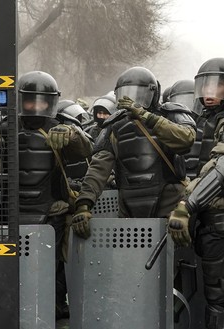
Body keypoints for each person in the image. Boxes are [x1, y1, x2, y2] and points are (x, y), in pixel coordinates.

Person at [0, 71, 93, 320]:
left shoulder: (63, 129)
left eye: (42, 101)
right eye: (30, 101)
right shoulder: (3, 132)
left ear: (51, 102)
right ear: (20, 100)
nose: (36, 106)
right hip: (14, 214)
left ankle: (53, 308)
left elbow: (88, 150)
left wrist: (72, 134)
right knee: (15, 269)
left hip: (53, 212)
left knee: (53, 267)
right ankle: (15, 311)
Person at [167, 57, 224, 329]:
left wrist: (187, 205)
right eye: (206, 85)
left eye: (219, 84)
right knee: (221, 309)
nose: (210, 92)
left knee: (221, 312)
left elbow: (223, 170)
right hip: (213, 224)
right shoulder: (209, 119)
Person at [71, 66, 196, 238]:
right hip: (129, 210)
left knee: (175, 260)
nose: (132, 99)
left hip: (170, 207)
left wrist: (147, 117)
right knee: (129, 261)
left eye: (139, 94)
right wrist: (84, 204)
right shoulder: (114, 126)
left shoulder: (170, 114)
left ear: (153, 93)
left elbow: (185, 139)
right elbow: (98, 168)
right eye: (126, 94)